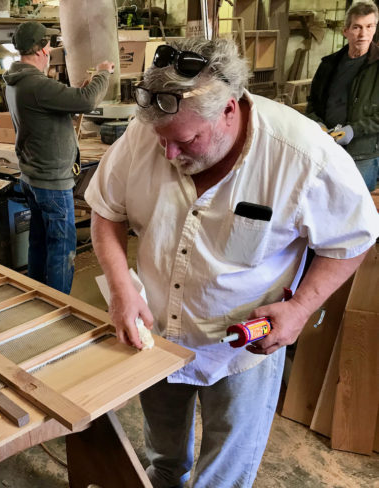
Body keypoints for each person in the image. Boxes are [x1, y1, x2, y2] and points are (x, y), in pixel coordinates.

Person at [85, 38, 379, 488]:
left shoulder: (302, 156)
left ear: (229, 110)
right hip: (156, 333)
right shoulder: (148, 134)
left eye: (185, 141)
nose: (168, 154)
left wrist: (299, 309)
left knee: (225, 469)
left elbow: (354, 237)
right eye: (162, 140)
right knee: (162, 458)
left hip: (241, 345)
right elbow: (105, 210)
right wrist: (122, 287)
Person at [3, 21, 114, 294]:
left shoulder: (16, 82)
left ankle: (40, 297)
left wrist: (80, 92)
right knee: (62, 248)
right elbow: (87, 101)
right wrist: (102, 74)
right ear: (42, 50)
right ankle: (59, 306)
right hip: (51, 181)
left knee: (40, 242)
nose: (51, 49)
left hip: (33, 177)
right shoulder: (35, 85)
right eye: (49, 45)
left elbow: (60, 106)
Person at [306, 1, 379, 192]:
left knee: (355, 203)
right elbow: (313, 103)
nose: (363, 34)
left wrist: (353, 130)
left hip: (362, 154)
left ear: (375, 28)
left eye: (369, 26)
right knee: (323, 198)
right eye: (357, 27)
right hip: (327, 148)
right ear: (345, 31)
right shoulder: (329, 65)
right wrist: (318, 125)